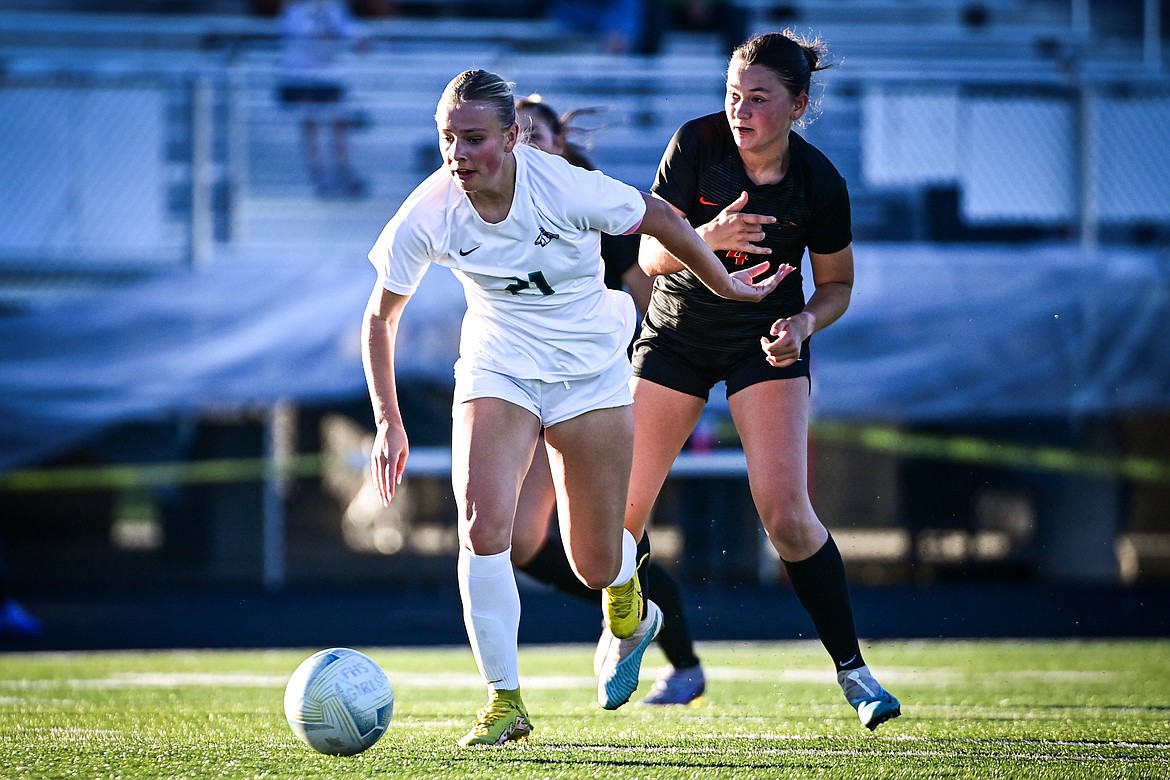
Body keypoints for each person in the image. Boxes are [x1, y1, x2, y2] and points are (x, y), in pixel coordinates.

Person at [362, 69, 787, 747]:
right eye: (448, 139)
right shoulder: (430, 211)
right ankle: (504, 702)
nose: (458, 154)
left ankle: (631, 609)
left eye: (474, 139)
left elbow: (663, 218)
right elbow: (380, 318)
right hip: (498, 368)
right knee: (482, 526)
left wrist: (726, 284)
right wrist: (389, 419)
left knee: (592, 561)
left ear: (512, 136)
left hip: (590, 375)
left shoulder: (562, 184)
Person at [603, 30, 903, 731]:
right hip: (676, 336)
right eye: (734, 94)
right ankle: (626, 629)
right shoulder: (695, 144)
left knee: (787, 516)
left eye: (760, 98)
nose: (741, 109)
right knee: (618, 516)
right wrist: (709, 239)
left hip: (762, 343)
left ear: (798, 106)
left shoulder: (821, 183)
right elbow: (650, 256)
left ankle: (855, 674)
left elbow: (837, 286)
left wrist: (802, 326)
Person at [510, 94, 706, 707]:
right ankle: (624, 608)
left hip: (596, 386)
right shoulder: (491, 203)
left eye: (538, 132)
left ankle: (682, 661)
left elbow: (649, 292)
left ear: (561, 143)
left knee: (618, 532)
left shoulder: (589, 200)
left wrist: (672, 377)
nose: (529, 142)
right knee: (518, 543)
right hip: (522, 384)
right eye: (517, 134)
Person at [277, 0, 368, 197]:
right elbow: (294, 37)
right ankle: (319, 175)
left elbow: (353, 33)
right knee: (310, 124)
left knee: (338, 122)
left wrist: (356, 40)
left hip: (330, 75)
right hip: (303, 76)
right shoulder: (294, 10)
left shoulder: (334, 9)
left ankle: (343, 171)